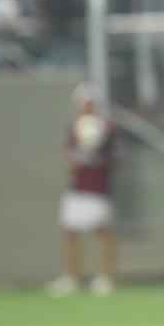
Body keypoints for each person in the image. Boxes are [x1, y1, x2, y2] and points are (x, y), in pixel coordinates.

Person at [47, 83, 118, 297]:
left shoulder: (108, 129)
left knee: (102, 232)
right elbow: (69, 156)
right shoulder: (74, 128)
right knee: (70, 231)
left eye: (90, 103)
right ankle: (71, 277)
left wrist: (97, 148)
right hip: (78, 188)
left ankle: (106, 277)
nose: (87, 107)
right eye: (83, 103)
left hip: (98, 188)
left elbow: (114, 158)